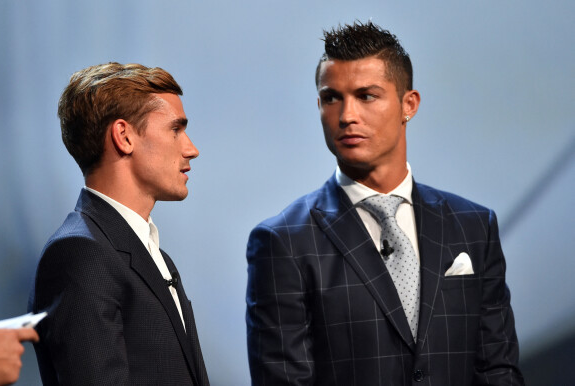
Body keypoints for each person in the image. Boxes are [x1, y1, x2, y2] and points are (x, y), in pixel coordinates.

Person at [246, 21, 524, 385]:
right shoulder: (283, 241)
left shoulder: (472, 225)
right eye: (332, 98)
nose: (347, 116)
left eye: (366, 96)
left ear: (409, 104)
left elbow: (498, 370)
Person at [28, 62, 209, 385]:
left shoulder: (151, 254)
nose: (191, 149)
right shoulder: (79, 254)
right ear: (124, 136)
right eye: (175, 129)